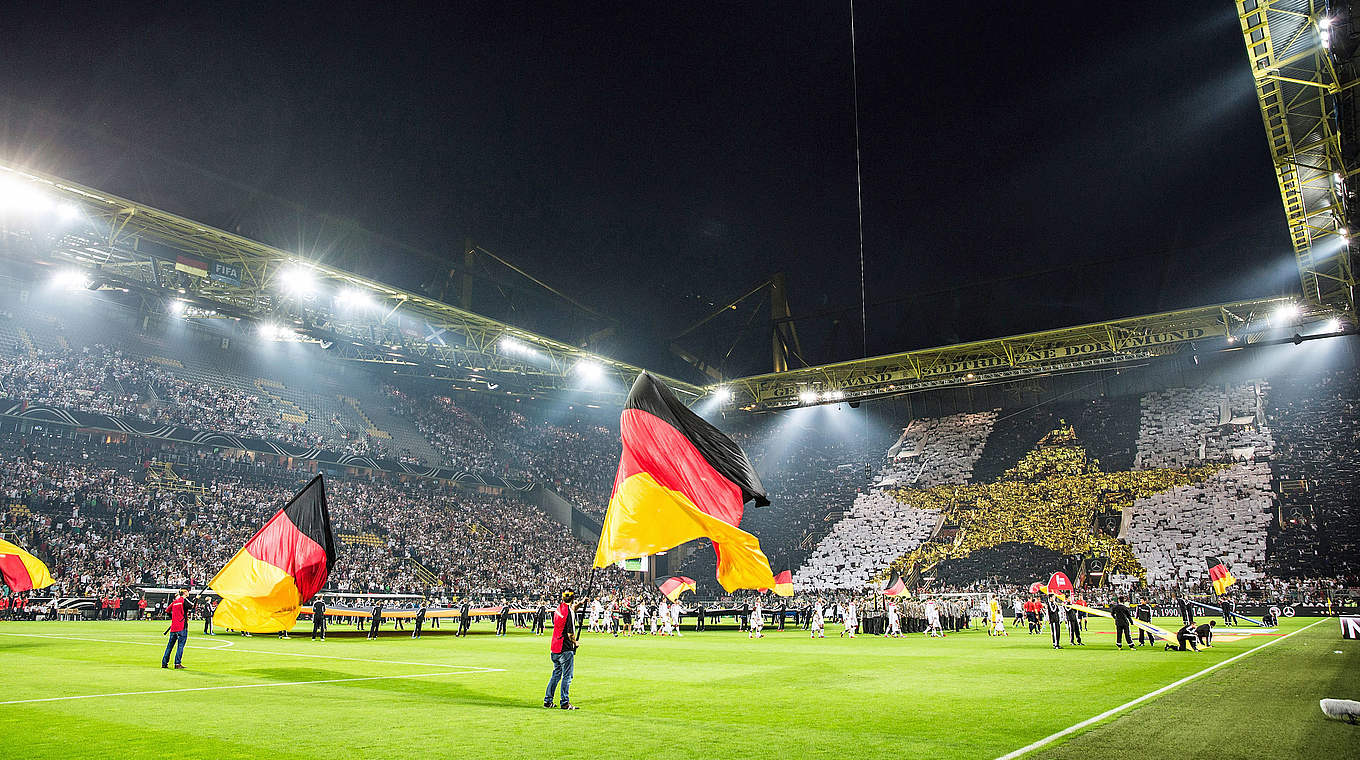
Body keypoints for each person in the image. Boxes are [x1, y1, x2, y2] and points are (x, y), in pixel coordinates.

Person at [544, 590, 579, 710]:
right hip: (565, 648)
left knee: (556, 674)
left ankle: (548, 701)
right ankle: (565, 702)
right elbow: (570, 633)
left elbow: (572, 608)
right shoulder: (568, 613)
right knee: (567, 676)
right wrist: (575, 642)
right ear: (573, 598)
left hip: (554, 647)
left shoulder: (559, 609)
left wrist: (581, 603)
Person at [161, 589, 191, 670]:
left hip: (174, 627)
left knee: (169, 646)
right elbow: (192, 607)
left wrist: (173, 618)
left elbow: (167, 610)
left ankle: (164, 663)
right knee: (180, 646)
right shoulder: (183, 601)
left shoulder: (175, 602)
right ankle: (177, 663)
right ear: (184, 593)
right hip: (181, 626)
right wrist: (197, 599)